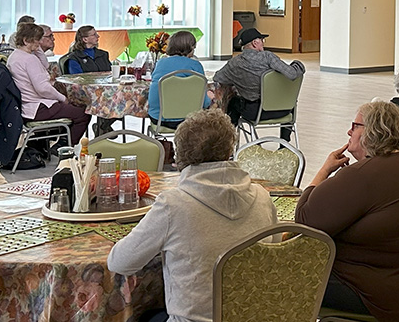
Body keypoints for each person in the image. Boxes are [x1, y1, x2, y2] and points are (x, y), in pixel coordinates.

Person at [108, 109, 277, 322]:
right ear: (229, 149)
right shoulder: (263, 198)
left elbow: (119, 263)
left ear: (180, 154)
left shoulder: (173, 205)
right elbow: (274, 254)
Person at [296, 101, 399, 322]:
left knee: (279, 273)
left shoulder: (365, 174)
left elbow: (305, 219)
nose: (349, 131)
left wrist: (324, 171)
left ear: (372, 131)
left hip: (369, 291)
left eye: (355, 126)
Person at [213, 27, 305, 141]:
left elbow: (218, 77)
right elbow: (292, 74)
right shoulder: (268, 57)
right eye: (262, 40)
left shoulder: (235, 63)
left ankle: (228, 142)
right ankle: (283, 144)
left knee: (233, 102)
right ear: (255, 43)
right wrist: (297, 64)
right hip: (283, 110)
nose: (263, 43)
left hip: (255, 112)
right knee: (288, 99)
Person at [7, 23, 92, 141]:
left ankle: (52, 143)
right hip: (38, 107)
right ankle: (65, 146)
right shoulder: (30, 59)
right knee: (83, 113)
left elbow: (45, 65)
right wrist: (63, 98)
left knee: (69, 108)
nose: (39, 43)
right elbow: (43, 88)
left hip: (26, 107)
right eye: (37, 40)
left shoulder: (14, 56)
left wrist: (37, 50)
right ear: (26, 41)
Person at [149, 30, 213, 129]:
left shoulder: (160, 63)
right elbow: (204, 103)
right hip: (190, 121)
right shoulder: (195, 66)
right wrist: (209, 97)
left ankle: (163, 143)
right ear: (191, 48)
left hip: (159, 120)